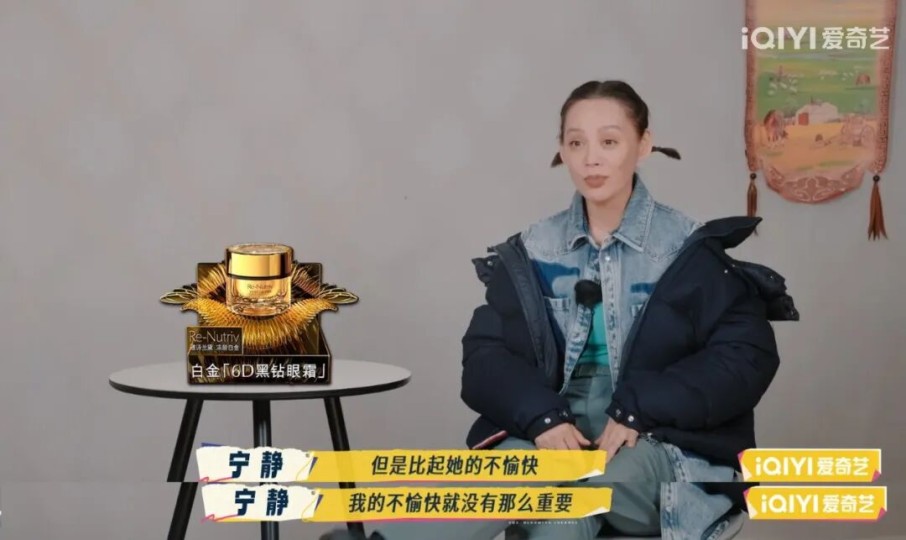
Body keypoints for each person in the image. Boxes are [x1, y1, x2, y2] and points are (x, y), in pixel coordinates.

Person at [321, 80, 798, 540]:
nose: (591, 158)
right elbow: (485, 357)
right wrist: (542, 418)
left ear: (643, 144)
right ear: (562, 151)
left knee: (575, 487)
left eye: (609, 141)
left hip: (660, 445)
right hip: (551, 435)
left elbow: (744, 358)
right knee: (538, 491)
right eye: (576, 143)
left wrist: (640, 409)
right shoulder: (533, 249)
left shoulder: (690, 250)